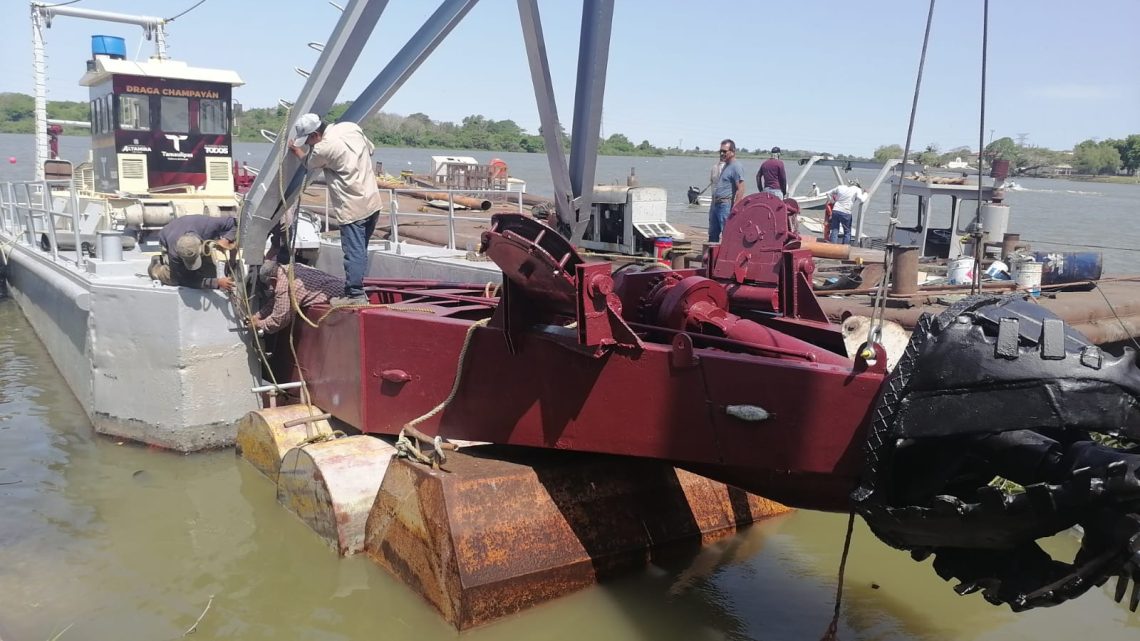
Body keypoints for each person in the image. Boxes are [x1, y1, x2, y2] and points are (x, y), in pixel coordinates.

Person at [289, 113, 383, 305]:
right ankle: (357, 288)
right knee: (361, 250)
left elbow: (308, 163)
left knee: (353, 252)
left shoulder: (323, 148)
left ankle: (355, 295)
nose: (309, 144)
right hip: (372, 202)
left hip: (352, 208)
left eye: (308, 141)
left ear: (315, 134)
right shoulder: (350, 127)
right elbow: (370, 149)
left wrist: (296, 150)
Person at [249, 261, 344, 334]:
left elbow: (280, 320)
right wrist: (258, 315)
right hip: (343, 286)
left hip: (339, 297)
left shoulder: (283, 286)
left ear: (273, 280)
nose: (270, 288)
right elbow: (276, 301)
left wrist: (258, 324)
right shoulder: (292, 267)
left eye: (269, 285)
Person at [149, 214, 237, 291]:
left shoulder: (209, 225)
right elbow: (183, 280)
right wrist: (216, 282)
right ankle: (156, 269)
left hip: (198, 233)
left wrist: (226, 239)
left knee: (209, 272)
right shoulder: (174, 253)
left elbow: (237, 223)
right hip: (167, 236)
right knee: (174, 280)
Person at [708, 139, 745, 243]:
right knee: (712, 233)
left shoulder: (736, 166)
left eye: (725, 151)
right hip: (716, 203)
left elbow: (741, 188)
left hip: (725, 205)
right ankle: (712, 257)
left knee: (727, 233)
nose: (722, 153)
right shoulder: (726, 166)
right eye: (721, 151)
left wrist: (735, 207)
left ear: (732, 151)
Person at [822, 180, 868, 245]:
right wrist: (866, 193)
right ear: (858, 185)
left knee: (835, 230)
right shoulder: (857, 189)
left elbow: (828, 193)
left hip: (836, 210)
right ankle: (844, 248)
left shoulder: (841, 187)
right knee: (847, 232)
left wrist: (832, 201)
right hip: (846, 212)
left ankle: (832, 248)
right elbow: (862, 200)